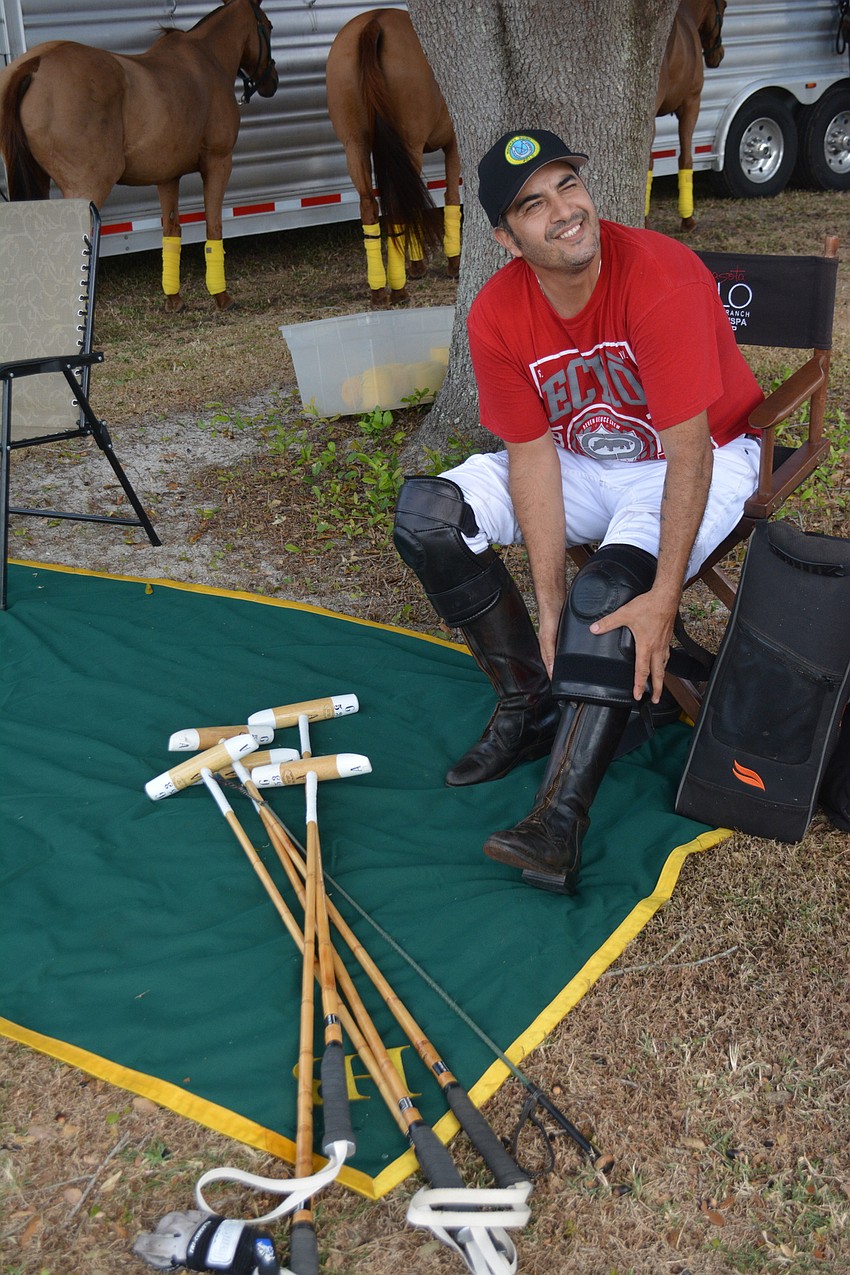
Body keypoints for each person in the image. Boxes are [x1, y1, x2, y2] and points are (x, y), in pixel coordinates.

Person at [393, 128, 764, 895]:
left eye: (569, 185)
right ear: (505, 237)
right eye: (534, 205)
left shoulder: (659, 275)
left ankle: (557, 823)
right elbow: (531, 456)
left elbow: (689, 452)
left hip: (697, 453)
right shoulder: (498, 312)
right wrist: (549, 602)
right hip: (581, 458)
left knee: (612, 595)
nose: (564, 211)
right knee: (430, 515)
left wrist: (664, 597)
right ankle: (529, 701)